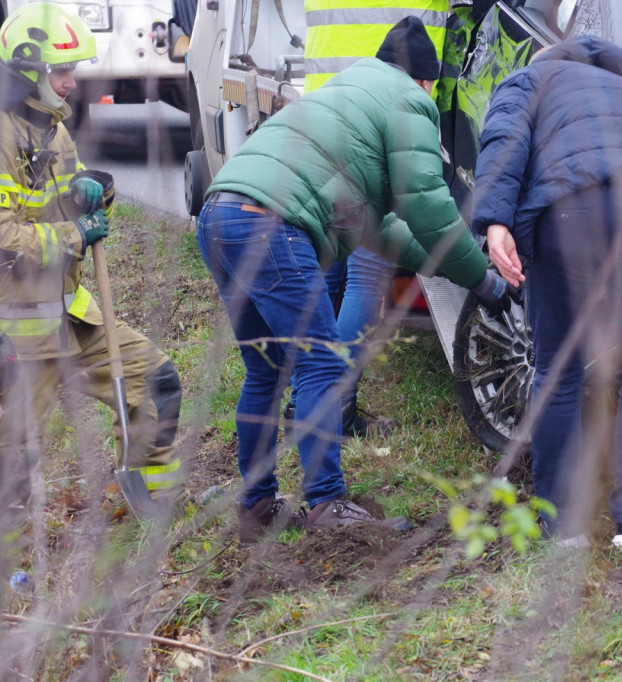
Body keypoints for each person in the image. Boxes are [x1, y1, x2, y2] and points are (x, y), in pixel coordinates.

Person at [197, 16, 510, 544]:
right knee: (319, 361)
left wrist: (455, 269)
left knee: (266, 370)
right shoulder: (409, 100)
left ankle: (255, 506)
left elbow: (385, 231)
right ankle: (327, 504)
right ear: (427, 81)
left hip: (222, 214)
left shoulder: (344, 95)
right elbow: (428, 208)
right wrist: (486, 281)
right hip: (274, 224)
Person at [0, 3, 187, 528]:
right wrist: (74, 232)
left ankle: (157, 514)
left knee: (156, 380)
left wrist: (98, 190)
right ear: (28, 72)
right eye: (62, 71)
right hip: (9, 332)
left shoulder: (52, 131)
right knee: (5, 455)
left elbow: (79, 203)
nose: (72, 82)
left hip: (69, 319)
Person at [472, 36, 622, 550]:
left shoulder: (533, 78)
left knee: (559, 368)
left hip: (572, 209)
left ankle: (563, 524)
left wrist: (493, 222)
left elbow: (503, 141)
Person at [286, 1, 455, 439]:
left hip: (325, 110)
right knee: (368, 275)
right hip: (387, 120)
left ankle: (301, 400)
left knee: (327, 275)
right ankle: (332, 409)